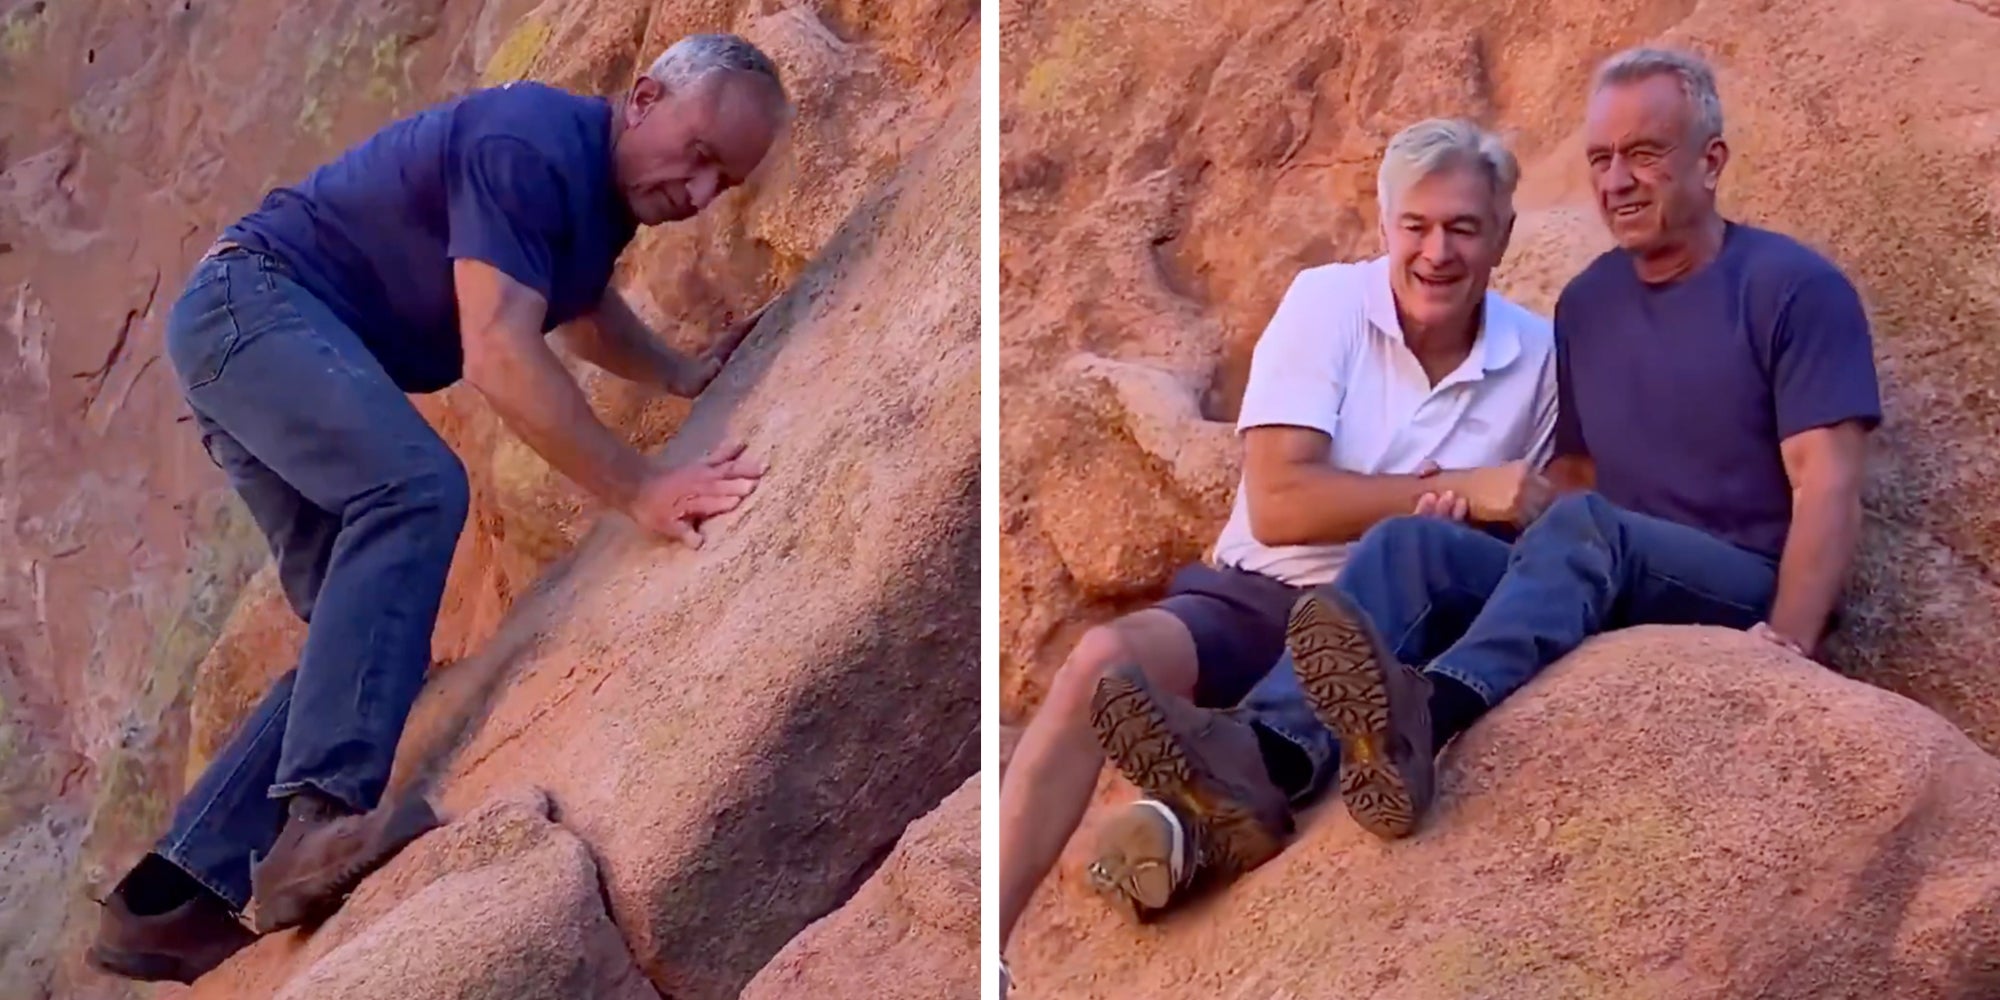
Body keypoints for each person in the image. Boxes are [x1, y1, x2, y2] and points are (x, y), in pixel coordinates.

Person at [1082, 44, 1881, 915]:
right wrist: (1480, 532)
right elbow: (1573, 474)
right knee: (1413, 544)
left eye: (1645, 154)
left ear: (1711, 160)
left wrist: (1789, 644)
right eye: (1602, 158)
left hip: (1732, 582)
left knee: (1589, 526)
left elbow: (1827, 483)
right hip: (1605, 572)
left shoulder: (1791, 289)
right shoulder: (1589, 304)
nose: (1617, 180)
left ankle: (1426, 714)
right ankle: (1259, 762)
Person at [85, 33, 791, 984]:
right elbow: (498, 350)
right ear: (645, 98)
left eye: (724, 182)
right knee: (416, 488)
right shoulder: (531, 142)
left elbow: (581, 310)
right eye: (699, 155)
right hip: (252, 306)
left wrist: (682, 374)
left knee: (367, 634)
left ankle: (169, 901)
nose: (700, 192)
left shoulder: (592, 197)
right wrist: (642, 488)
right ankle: (318, 827)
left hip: (244, 332)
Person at [998, 118, 1561, 984]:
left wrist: (1475, 521)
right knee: (1103, 661)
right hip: (1261, 597)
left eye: (1463, 227)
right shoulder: (1327, 304)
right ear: (1385, 225)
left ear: (1503, 234)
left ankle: (1199, 813)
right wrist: (1457, 485)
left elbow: (1542, 520)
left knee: (1398, 578)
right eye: (1416, 226)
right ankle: (989, 957)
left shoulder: (1536, 358)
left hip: (1399, 618)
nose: (1437, 252)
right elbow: (1280, 503)